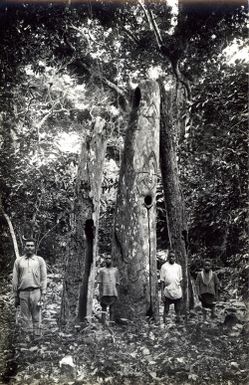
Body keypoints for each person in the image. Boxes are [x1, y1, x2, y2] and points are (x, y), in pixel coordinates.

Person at [12, 238, 47, 339]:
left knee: (37, 317)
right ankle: (26, 341)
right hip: (23, 293)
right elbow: (15, 279)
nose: (29, 248)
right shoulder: (19, 261)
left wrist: (43, 293)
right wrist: (15, 296)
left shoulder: (39, 260)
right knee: (25, 318)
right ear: (24, 246)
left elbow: (44, 278)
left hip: (36, 292)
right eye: (28, 245)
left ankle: (37, 338)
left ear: (34, 247)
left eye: (32, 245)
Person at [160, 249, 183, 323]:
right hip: (167, 291)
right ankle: (165, 322)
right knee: (166, 309)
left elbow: (180, 279)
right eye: (170, 257)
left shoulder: (178, 267)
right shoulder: (164, 267)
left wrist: (181, 290)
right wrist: (162, 294)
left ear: (175, 258)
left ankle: (178, 321)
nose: (171, 258)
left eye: (173, 257)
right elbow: (162, 281)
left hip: (177, 291)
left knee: (178, 309)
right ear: (168, 257)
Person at [97, 255, 119, 324]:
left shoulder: (115, 270)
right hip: (104, 292)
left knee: (112, 309)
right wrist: (100, 293)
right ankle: (103, 324)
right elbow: (99, 282)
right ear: (105, 260)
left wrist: (115, 291)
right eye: (107, 258)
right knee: (104, 309)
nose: (108, 260)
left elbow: (117, 283)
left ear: (112, 260)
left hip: (113, 292)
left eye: (110, 258)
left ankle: (111, 323)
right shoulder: (102, 270)